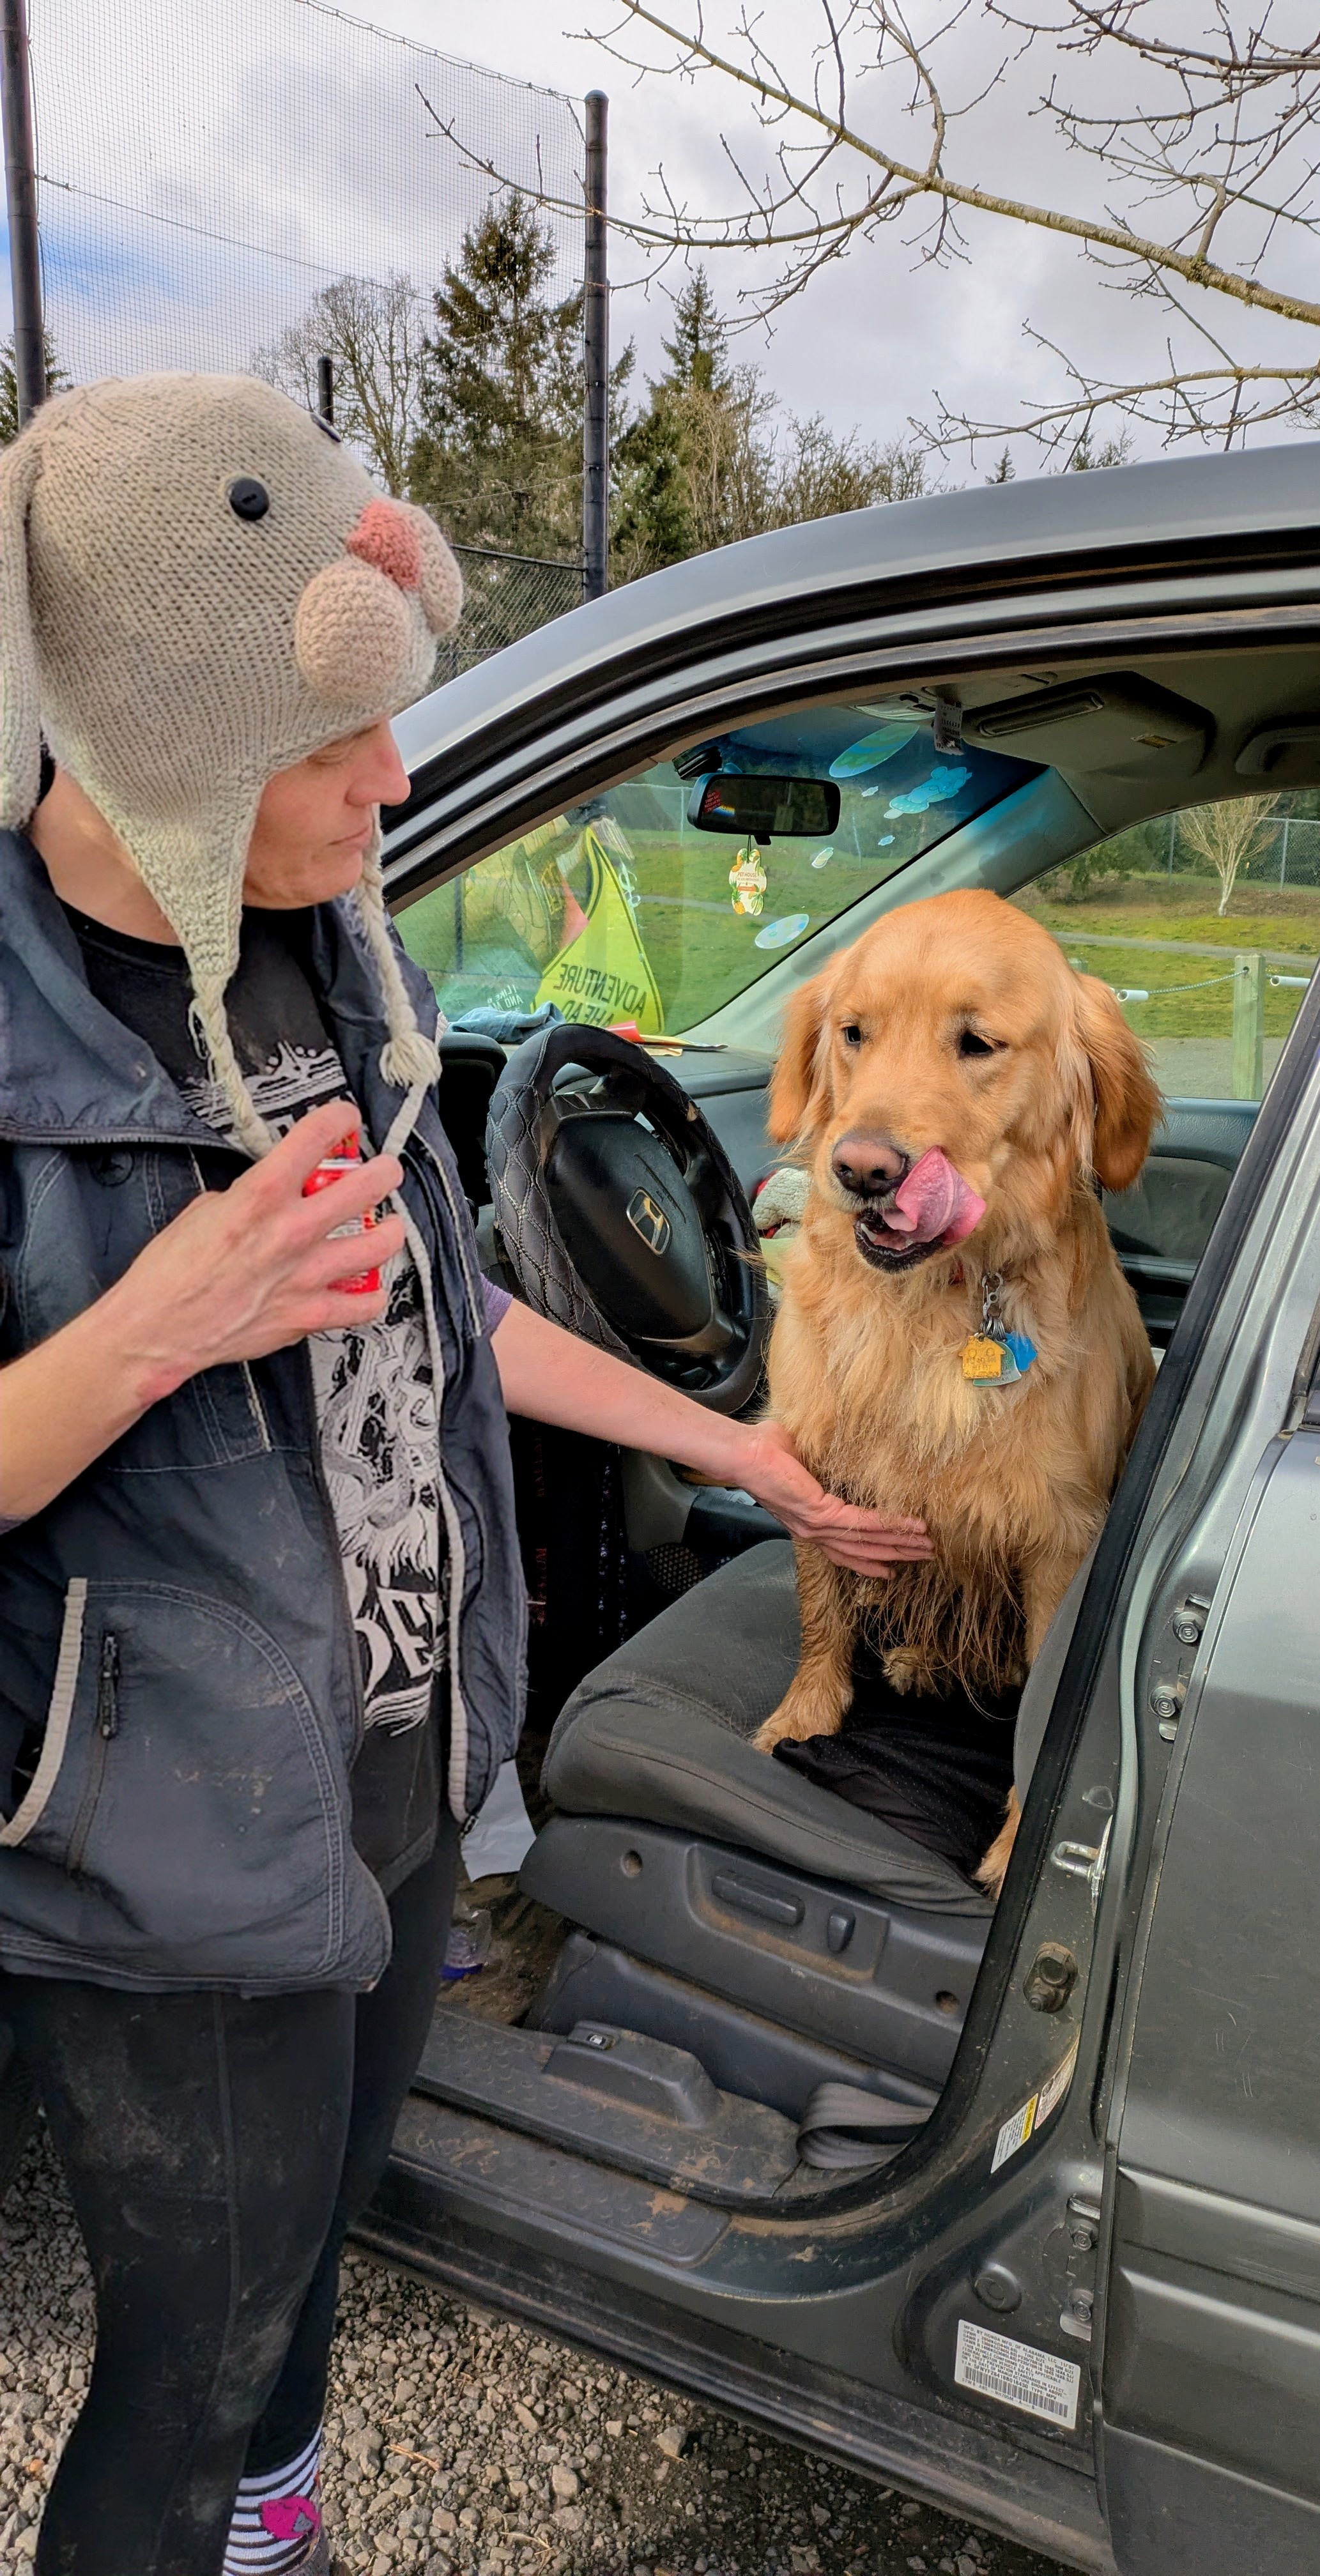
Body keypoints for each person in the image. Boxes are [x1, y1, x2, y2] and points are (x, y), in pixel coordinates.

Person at [0, 376, 930, 2576]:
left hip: (394, 1775)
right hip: (163, 1866)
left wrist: (741, 1450)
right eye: (342, 752)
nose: (395, 782)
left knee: (311, 2271)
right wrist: (157, 1331)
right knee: (189, 2355)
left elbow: (436, 1309)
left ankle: (279, 2543)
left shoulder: (347, 953)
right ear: (167, 748)